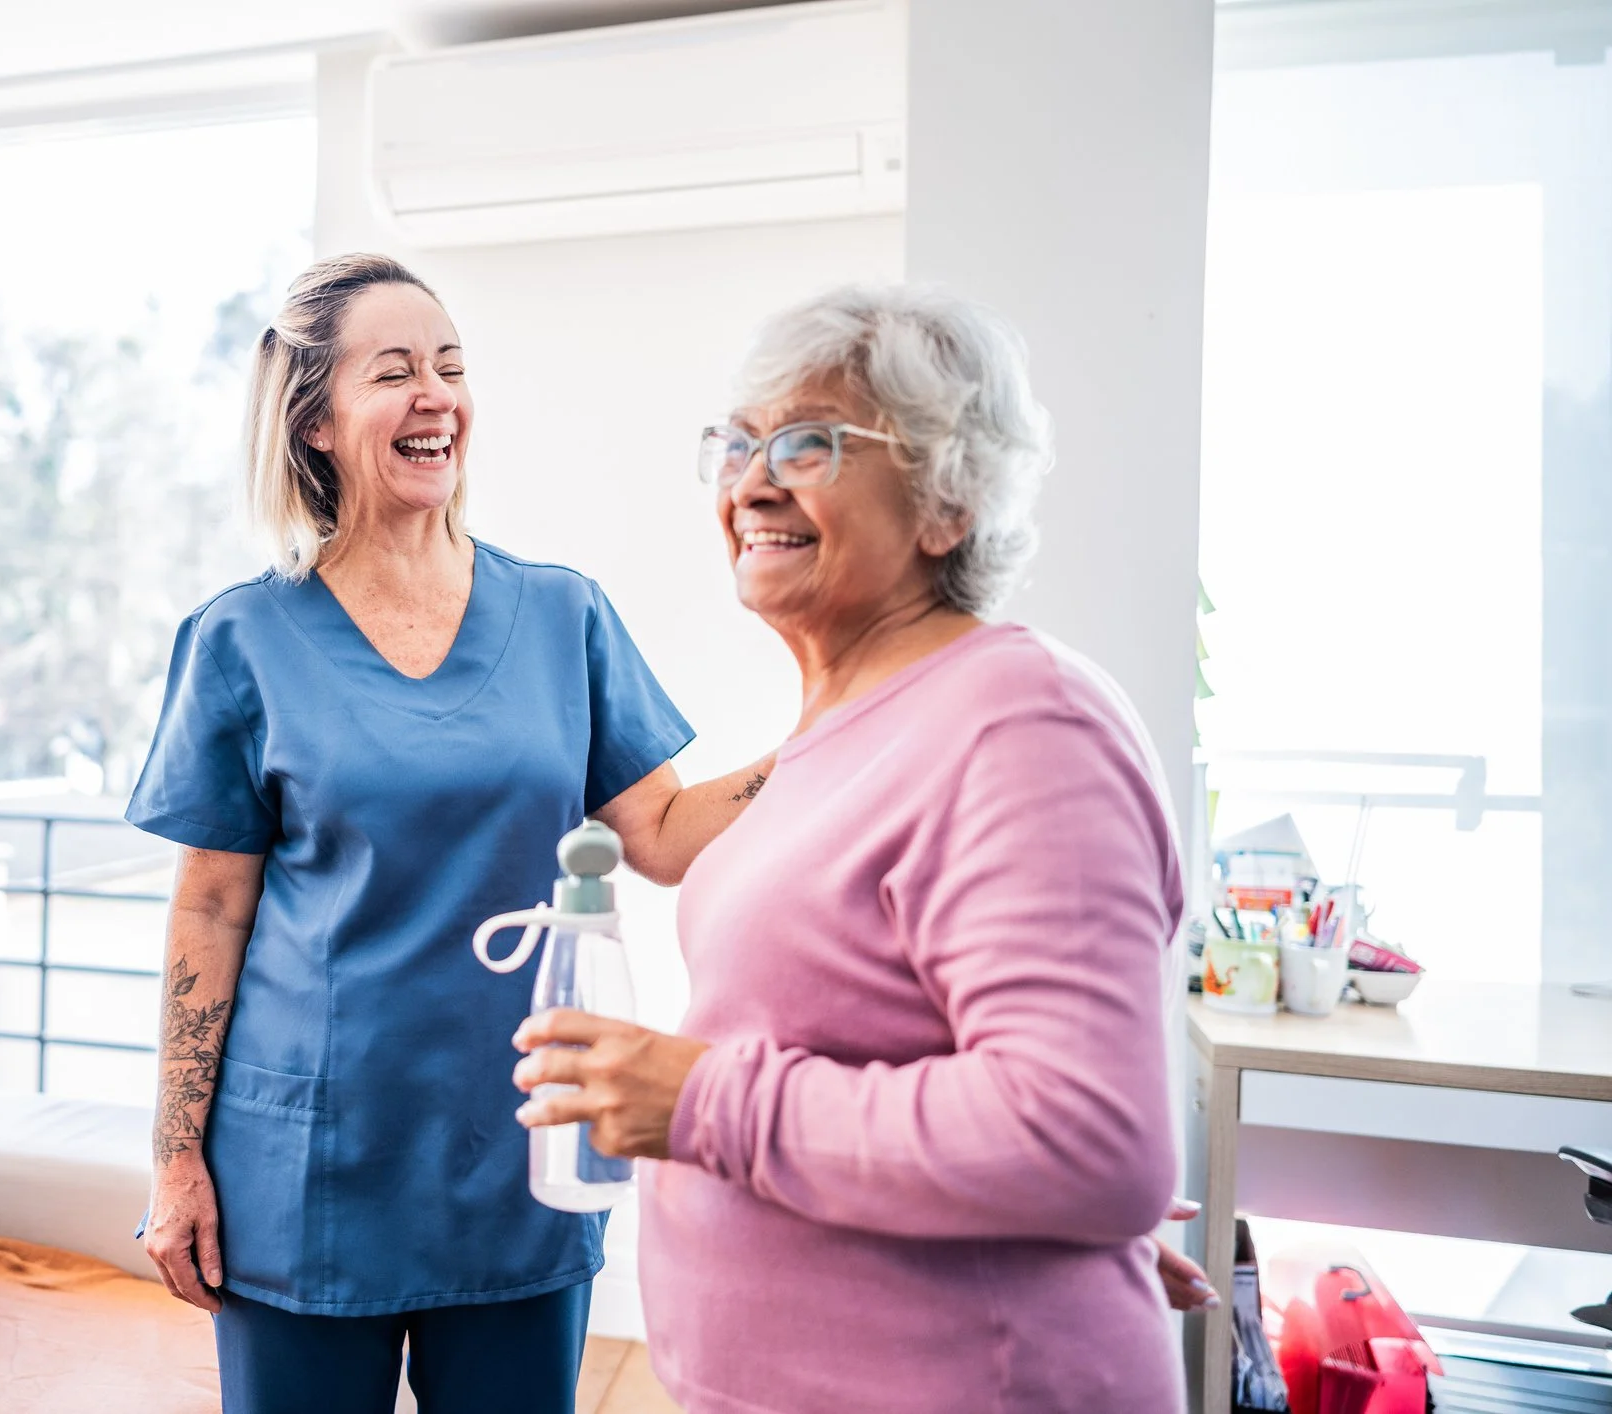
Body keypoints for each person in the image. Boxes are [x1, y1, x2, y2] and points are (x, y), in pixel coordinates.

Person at [514, 284, 1197, 1413]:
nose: (752, 481)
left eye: (809, 442)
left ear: (946, 502)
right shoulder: (844, 727)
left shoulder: (1023, 723)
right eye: (736, 444)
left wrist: (701, 1102)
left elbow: (1089, 1140)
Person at [123, 253, 774, 1414]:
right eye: (395, 372)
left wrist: (841, 730)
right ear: (316, 421)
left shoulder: (561, 614)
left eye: (452, 366)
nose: (437, 396)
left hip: (514, 1150)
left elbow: (666, 834)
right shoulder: (242, 639)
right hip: (307, 1168)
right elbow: (211, 907)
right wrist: (176, 1157)